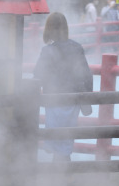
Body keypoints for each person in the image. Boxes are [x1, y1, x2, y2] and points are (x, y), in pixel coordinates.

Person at [34, 12, 93, 162]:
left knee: (55, 138)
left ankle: (61, 176)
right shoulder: (77, 48)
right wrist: (87, 98)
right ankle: (64, 176)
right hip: (72, 101)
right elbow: (86, 75)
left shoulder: (47, 51)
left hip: (54, 100)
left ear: (49, 29)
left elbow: (38, 74)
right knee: (66, 138)